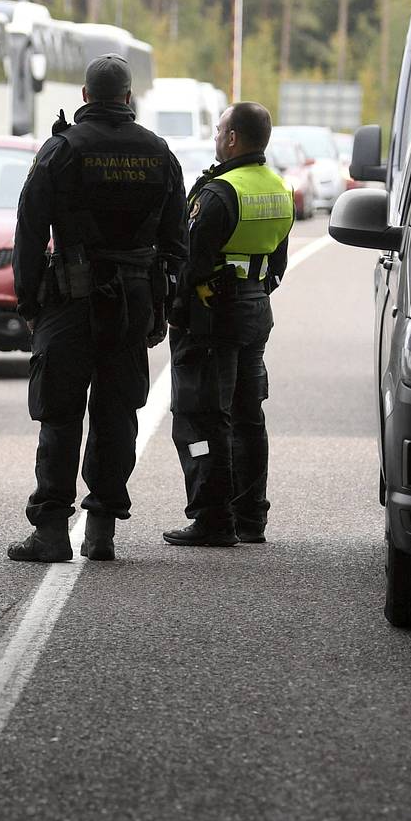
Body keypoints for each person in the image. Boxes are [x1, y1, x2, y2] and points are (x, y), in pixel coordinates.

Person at [7, 54, 187, 563]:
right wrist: (160, 306)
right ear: (128, 99)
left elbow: (29, 230)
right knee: (116, 414)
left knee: (60, 416)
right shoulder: (159, 154)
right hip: (131, 301)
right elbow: (178, 242)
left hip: (68, 300)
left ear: (86, 96)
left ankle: (51, 533)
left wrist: (27, 300)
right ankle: (102, 530)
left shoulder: (60, 151)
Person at [164, 102, 294, 547]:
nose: (216, 137)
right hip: (256, 309)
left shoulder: (219, 194)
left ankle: (212, 518)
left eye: (219, 129)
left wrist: (177, 315)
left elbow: (191, 263)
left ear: (234, 138)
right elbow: (278, 262)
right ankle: (250, 517)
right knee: (247, 414)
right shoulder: (279, 188)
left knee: (202, 416)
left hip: (213, 316)